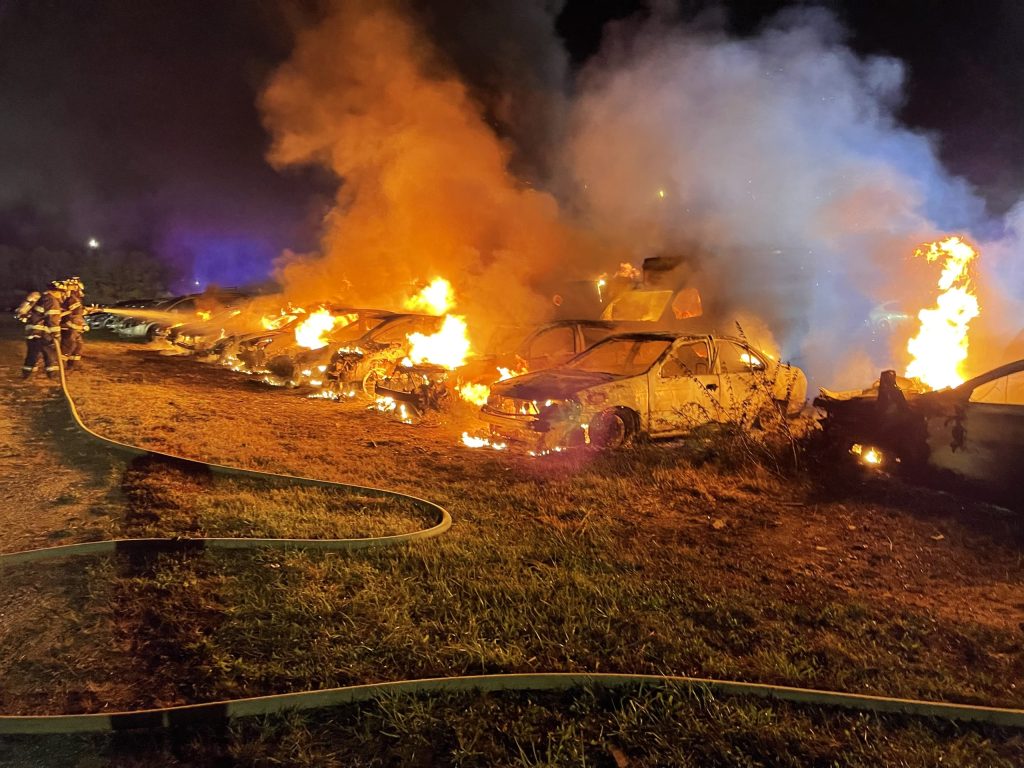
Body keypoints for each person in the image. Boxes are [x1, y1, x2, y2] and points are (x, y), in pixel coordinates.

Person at [19, 281, 65, 379]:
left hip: (33, 332)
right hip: (41, 333)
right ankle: (52, 375)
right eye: (62, 293)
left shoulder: (43, 298)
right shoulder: (51, 300)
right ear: (57, 291)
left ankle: (26, 374)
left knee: (32, 354)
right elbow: (52, 318)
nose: (62, 295)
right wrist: (56, 334)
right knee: (49, 353)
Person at [60, 277, 87, 371]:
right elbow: (72, 312)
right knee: (68, 347)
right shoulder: (71, 299)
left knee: (78, 347)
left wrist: (84, 319)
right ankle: (61, 367)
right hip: (69, 328)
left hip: (76, 328)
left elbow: (77, 313)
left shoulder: (75, 299)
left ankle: (73, 365)